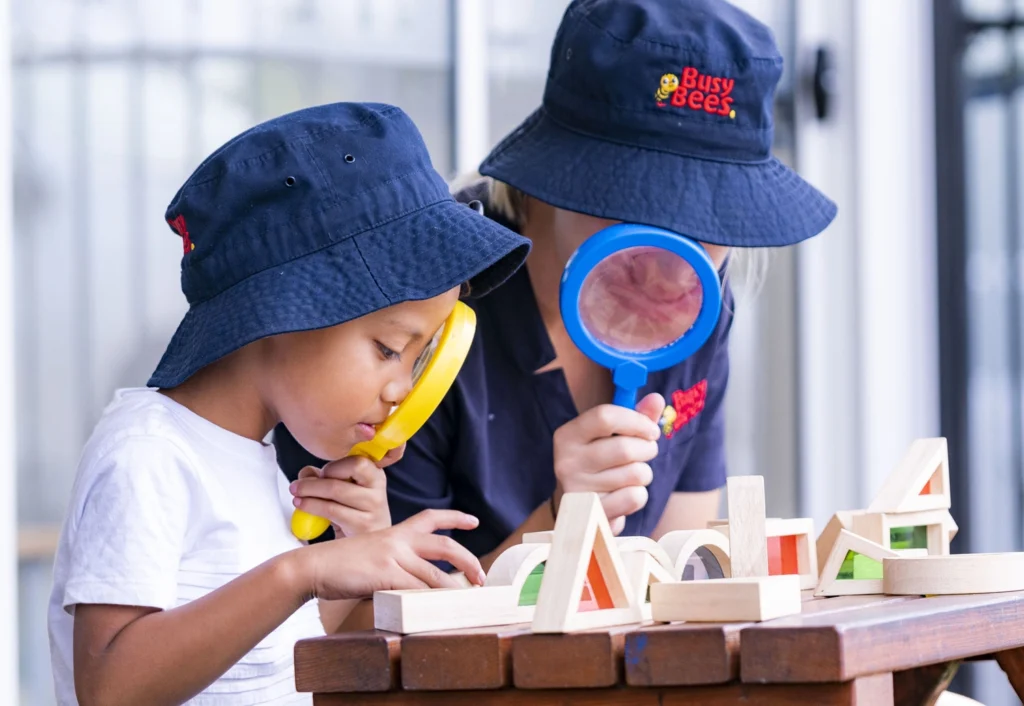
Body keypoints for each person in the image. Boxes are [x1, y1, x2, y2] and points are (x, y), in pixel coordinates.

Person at [277, 0, 837, 592]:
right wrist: (561, 522)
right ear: (555, 180)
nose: (672, 272)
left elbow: (673, 577)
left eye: (713, 214)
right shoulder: (412, 310)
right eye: (641, 207)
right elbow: (373, 633)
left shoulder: (702, 304)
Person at [45, 102, 530, 705]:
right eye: (388, 348)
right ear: (282, 313)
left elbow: (291, 657)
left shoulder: (257, 460)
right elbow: (111, 686)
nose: (403, 388)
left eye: (417, 359)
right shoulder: (149, 455)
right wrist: (305, 572)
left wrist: (362, 551)